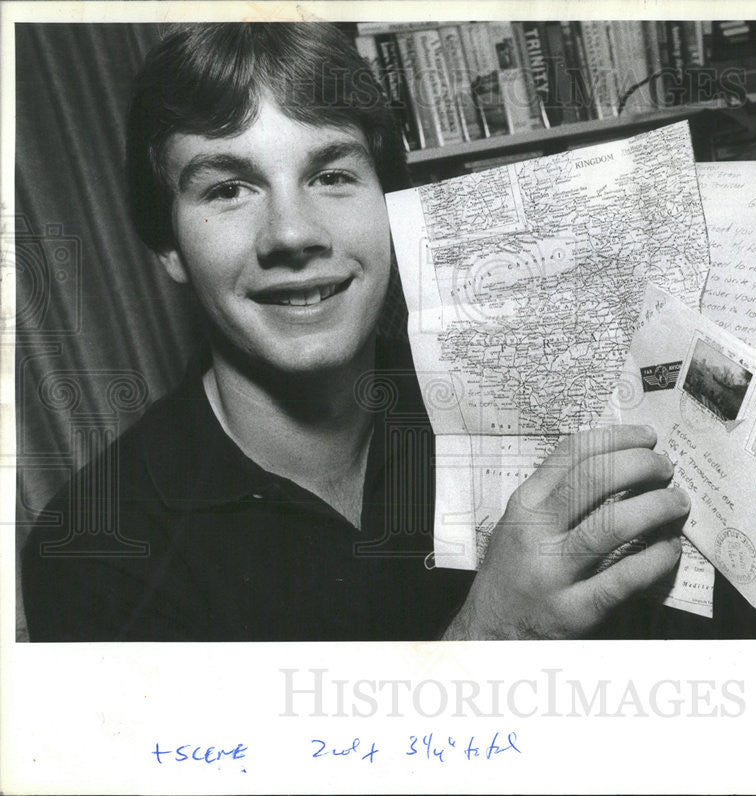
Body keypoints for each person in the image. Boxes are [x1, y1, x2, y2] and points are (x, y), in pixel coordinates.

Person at [20, 22, 688, 641]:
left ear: (393, 212)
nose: (292, 233)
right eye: (228, 188)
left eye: (333, 175)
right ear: (168, 245)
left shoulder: (508, 402)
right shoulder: (90, 549)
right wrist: (488, 635)